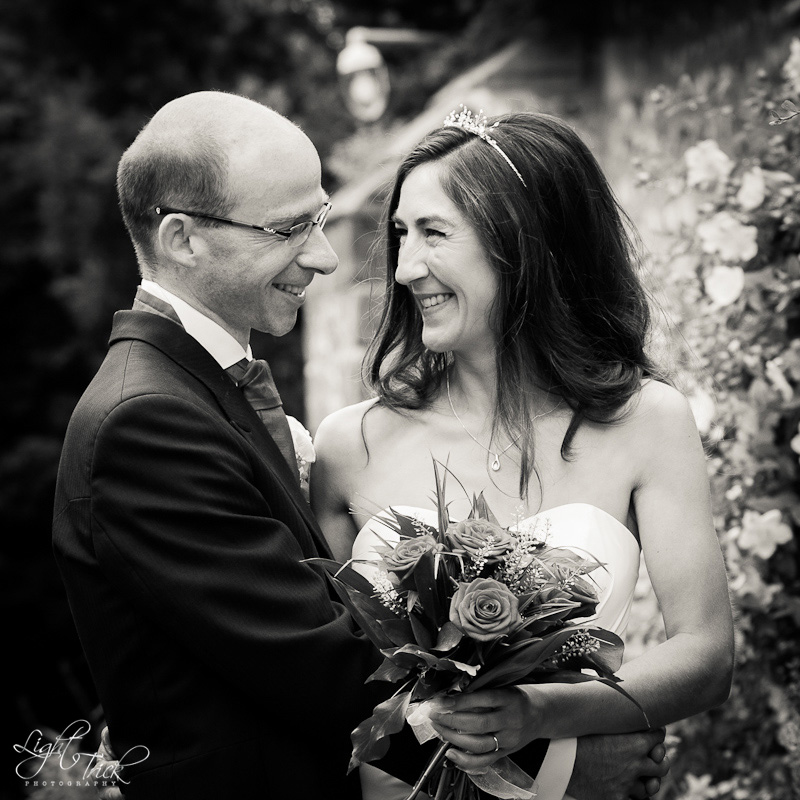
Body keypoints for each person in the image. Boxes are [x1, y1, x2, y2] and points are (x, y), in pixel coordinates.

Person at [57, 92, 668, 800]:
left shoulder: (197, 394)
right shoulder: (147, 422)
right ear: (183, 239)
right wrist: (556, 771)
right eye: (288, 229)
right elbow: (317, 670)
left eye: (319, 220)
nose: (323, 257)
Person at [311, 109, 734, 800]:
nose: (407, 267)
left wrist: (545, 716)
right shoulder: (348, 446)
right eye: (401, 234)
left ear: (520, 243)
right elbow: (323, 689)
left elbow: (706, 656)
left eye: (434, 233)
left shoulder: (646, 421)